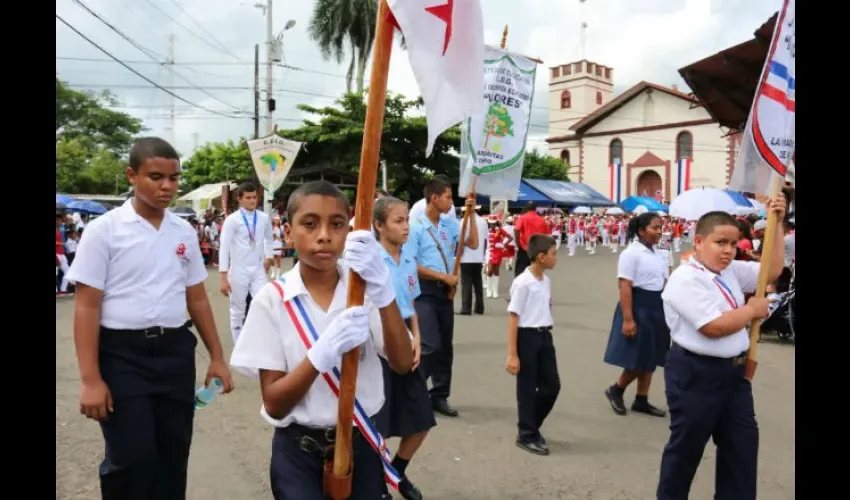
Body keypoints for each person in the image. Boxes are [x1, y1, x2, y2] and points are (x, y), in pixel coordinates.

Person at [66, 137, 234, 500]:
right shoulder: (105, 231)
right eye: (156, 177)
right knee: (132, 457)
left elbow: (197, 298)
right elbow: (86, 307)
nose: (167, 186)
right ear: (132, 176)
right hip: (121, 355)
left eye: (174, 178)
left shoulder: (183, 232)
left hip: (174, 353)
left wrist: (217, 357)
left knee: (174, 453)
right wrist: (91, 379)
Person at [230, 180, 413, 500]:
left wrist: (384, 293)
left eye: (337, 224)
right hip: (298, 451)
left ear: (349, 231)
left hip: (360, 442)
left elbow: (402, 362)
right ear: (289, 233)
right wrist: (322, 354)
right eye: (310, 224)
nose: (325, 235)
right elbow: (274, 404)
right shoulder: (271, 300)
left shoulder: (363, 290)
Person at [656, 195, 787, 500]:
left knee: (742, 449)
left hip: (734, 375)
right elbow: (712, 327)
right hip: (695, 373)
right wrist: (752, 310)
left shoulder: (729, 270)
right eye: (720, 243)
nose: (728, 250)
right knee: (686, 451)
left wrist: (777, 223)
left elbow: (771, 272)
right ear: (699, 242)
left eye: (733, 243)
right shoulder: (685, 278)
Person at [372, 196, 436, 500]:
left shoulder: (407, 257)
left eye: (406, 219)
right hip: (378, 350)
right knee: (378, 427)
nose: (406, 226)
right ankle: (375, 483)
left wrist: (416, 338)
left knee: (422, 419)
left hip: (406, 345)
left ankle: (396, 471)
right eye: (398, 221)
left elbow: (410, 304)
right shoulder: (371, 262)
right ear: (379, 225)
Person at [408, 179, 478, 418]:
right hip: (424, 292)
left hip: (445, 292)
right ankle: (412, 390)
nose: (451, 201)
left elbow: (473, 242)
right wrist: (442, 276)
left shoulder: (450, 224)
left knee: (445, 348)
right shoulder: (416, 227)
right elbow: (411, 265)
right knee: (430, 345)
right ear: (434, 198)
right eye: (447, 197)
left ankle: (439, 395)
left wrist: (471, 214)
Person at [603, 212, 670, 418]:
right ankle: (617, 389)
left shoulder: (659, 253)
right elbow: (625, 285)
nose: (659, 232)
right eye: (654, 228)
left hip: (657, 305)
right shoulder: (631, 254)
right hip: (639, 305)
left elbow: (665, 280)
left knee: (652, 354)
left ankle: (642, 398)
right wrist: (628, 318)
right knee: (640, 355)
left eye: (660, 228)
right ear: (641, 231)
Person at [505, 234, 561, 456]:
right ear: (541, 257)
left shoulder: (545, 280)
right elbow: (513, 317)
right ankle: (527, 434)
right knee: (527, 389)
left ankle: (530, 425)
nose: (556, 258)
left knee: (552, 386)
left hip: (545, 336)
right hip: (527, 337)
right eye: (553, 254)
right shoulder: (522, 283)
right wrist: (512, 353)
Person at [218, 181, 274, 343]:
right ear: (239, 199)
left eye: (254, 197)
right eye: (248, 198)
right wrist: (223, 277)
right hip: (238, 270)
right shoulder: (232, 220)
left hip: (258, 270)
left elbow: (269, 239)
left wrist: (268, 257)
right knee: (237, 311)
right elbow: (224, 248)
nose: (252, 201)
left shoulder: (263, 218)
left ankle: (258, 340)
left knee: (265, 304)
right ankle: (239, 346)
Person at [459, 207, 488, 315]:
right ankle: (479, 307)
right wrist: (483, 254)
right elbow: (485, 240)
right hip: (478, 256)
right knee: (478, 282)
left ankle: (466, 307)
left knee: (466, 282)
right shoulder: (483, 221)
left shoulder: (463, 221)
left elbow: (461, 238)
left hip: (466, 256)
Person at [513, 203, 548, 277]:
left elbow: (516, 229)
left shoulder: (522, 217)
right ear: (535, 209)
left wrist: (517, 243)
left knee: (521, 269)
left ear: (526, 208)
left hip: (524, 247)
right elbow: (545, 235)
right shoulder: (541, 219)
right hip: (536, 248)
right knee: (535, 270)